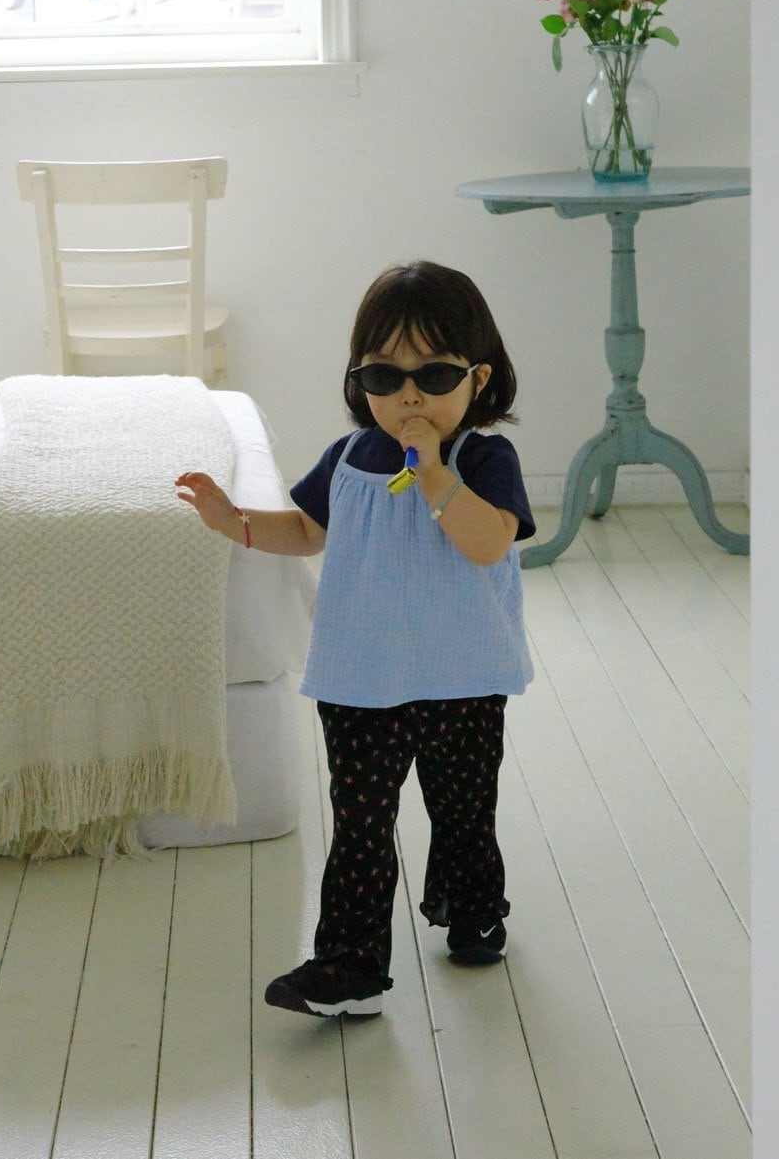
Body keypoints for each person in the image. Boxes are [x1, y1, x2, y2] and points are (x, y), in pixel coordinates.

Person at [175, 260, 535, 1020]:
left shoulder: (480, 459)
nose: (409, 395)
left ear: (478, 378)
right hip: (360, 681)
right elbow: (306, 529)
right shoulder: (348, 459)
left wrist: (433, 474)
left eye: (434, 375)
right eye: (383, 374)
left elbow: (486, 544)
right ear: (358, 380)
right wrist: (233, 520)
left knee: (464, 812)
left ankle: (474, 912)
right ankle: (351, 963)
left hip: (464, 680)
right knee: (361, 825)